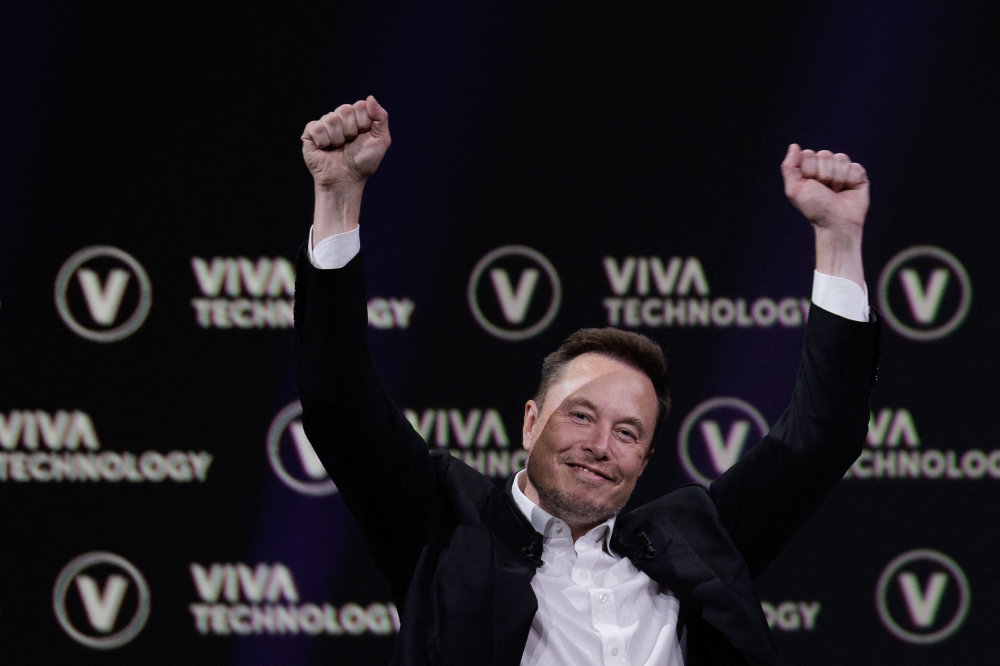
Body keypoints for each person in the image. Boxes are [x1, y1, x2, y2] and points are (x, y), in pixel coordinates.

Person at [294, 96, 880, 666]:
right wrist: (339, 198)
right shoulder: (446, 524)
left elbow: (820, 438)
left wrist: (838, 238)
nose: (601, 446)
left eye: (628, 433)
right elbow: (338, 404)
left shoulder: (697, 540)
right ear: (530, 421)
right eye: (580, 414)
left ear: (646, 460)